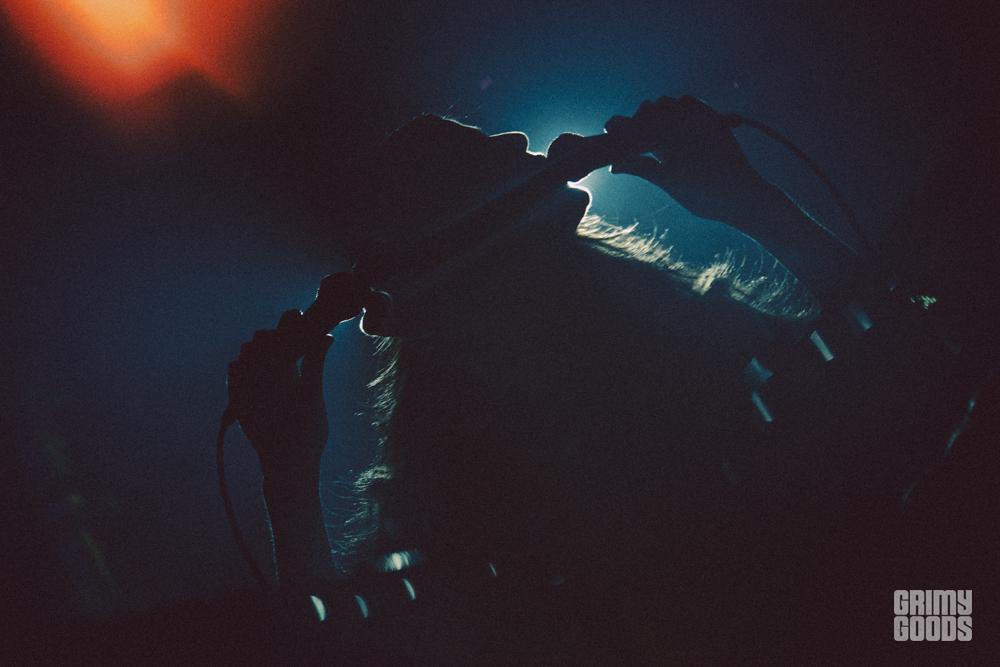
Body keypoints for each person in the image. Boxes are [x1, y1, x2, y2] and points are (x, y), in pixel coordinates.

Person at [226, 96, 861, 658]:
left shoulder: (683, 329)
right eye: (472, 155)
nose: (512, 139)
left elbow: (890, 362)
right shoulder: (482, 513)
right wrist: (752, 201)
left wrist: (289, 481)